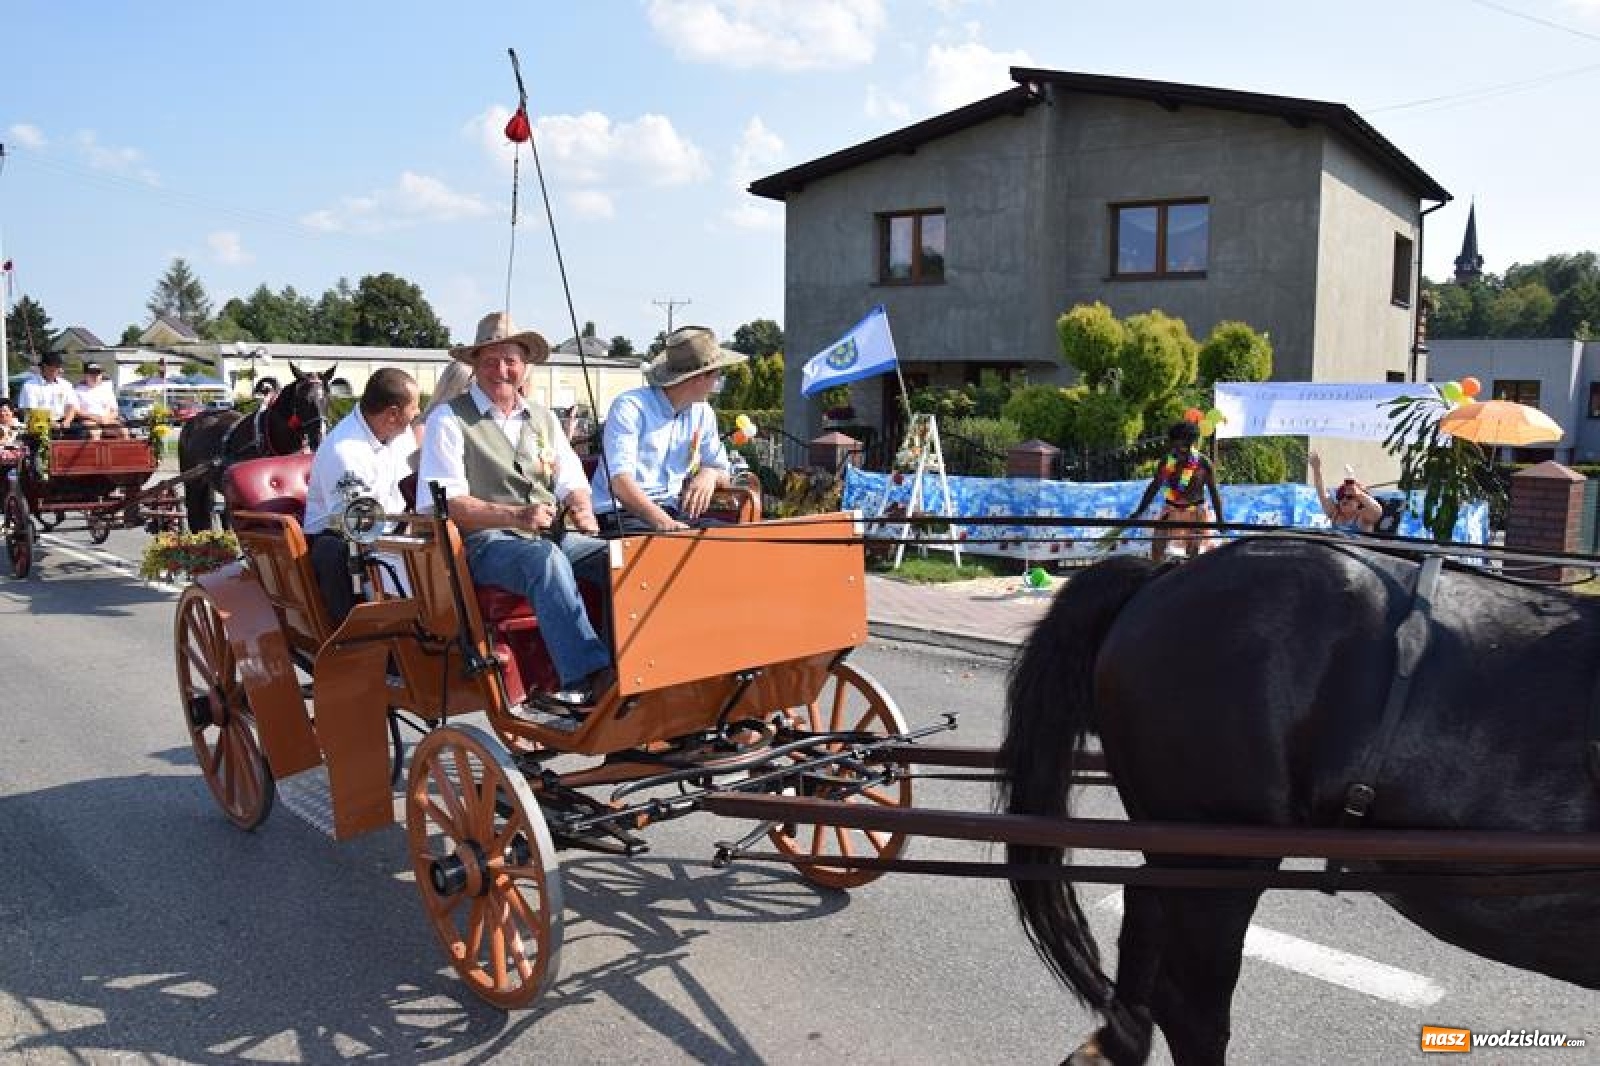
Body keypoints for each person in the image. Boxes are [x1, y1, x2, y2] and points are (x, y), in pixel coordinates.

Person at [417, 311, 613, 708]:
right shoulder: (449, 419)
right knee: (545, 560)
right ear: (475, 365)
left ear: (525, 366)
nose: (501, 371)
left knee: (621, 558)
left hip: (551, 535)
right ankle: (587, 680)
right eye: (491, 361)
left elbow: (571, 478)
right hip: (484, 544)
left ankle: (630, 664)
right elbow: (444, 502)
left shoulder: (543, 418)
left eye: (510, 360)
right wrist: (515, 516)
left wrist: (581, 507)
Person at [591, 325, 747, 534]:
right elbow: (620, 483)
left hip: (673, 514)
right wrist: (664, 523)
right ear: (699, 377)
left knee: (738, 540)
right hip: (621, 515)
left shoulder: (703, 412)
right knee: (695, 545)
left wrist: (709, 474)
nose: (717, 384)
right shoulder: (630, 407)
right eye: (717, 376)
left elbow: (721, 469)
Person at [303, 368, 422, 625]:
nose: (418, 413)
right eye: (414, 407)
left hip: (394, 532)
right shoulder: (344, 451)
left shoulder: (401, 434)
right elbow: (359, 526)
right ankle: (369, 631)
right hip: (343, 538)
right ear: (392, 414)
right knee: (337, 552)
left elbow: (416, 489)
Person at [1129, 420, 1224, 561]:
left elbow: (1214, 493)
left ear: (1192, 443)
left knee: (1193, 553)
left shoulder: (1203, 464)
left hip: (1195, 512)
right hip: (1171, 509)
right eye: (1177, 447)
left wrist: (1220, 520)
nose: (1181, 451)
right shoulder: (1167, 462)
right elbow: (1154, 486)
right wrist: (1139, 511)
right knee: (1157, 547)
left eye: (1185, 447)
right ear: (1172, 444)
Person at [1309, 450, 1383, 534]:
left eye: (1349, 497)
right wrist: (1316, 469)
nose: (1344, 499)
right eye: (1340, 495)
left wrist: (1359, 493)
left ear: (1359, 502)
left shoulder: (1363, 517)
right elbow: (1321, 491)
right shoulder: (1334, 513)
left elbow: (1377, 511)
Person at [17, 352, 81, 434]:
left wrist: (67, 421)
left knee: (82, 432)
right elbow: (32, 411)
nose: (57, 370)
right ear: (44, 367)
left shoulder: (66, 384)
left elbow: (72, 406)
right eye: (54, 367)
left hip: (63, 423)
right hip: (39, 424)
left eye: (58, 367)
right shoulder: (30, 386)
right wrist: (52, 424)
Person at [73, 362, 127, 438]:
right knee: (95, 432)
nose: (95, 377)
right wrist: (95, 417)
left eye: (98, 374)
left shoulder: (107, 389)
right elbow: (76, 411)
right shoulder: (77, 390)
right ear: (85, 375)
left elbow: (114, 410)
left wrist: (107, 418)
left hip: (107, 419)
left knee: (124, 431)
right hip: (88, 420)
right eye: (92, 374)